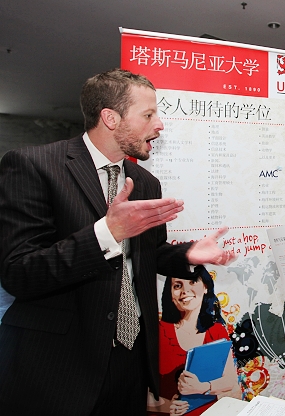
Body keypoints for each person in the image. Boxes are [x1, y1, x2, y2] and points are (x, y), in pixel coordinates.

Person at [0, 69, 236, 415]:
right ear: (110, 118)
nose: (159, 125)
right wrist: (106, 234)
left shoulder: (145, 182)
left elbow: (147, 253)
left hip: (131, 361)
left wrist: (187, 255)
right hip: (59, 366)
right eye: (148, 115)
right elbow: (19, 272)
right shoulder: (34, 166)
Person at [156, 266, 235, 416]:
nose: (185, 291)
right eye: (177, 286)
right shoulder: (157, 331)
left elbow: (230, 380)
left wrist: (203, 387)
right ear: (170, 294)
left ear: (205, 287)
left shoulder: (217, 331)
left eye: (192, 282)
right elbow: (136, 389)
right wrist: (168, 406)